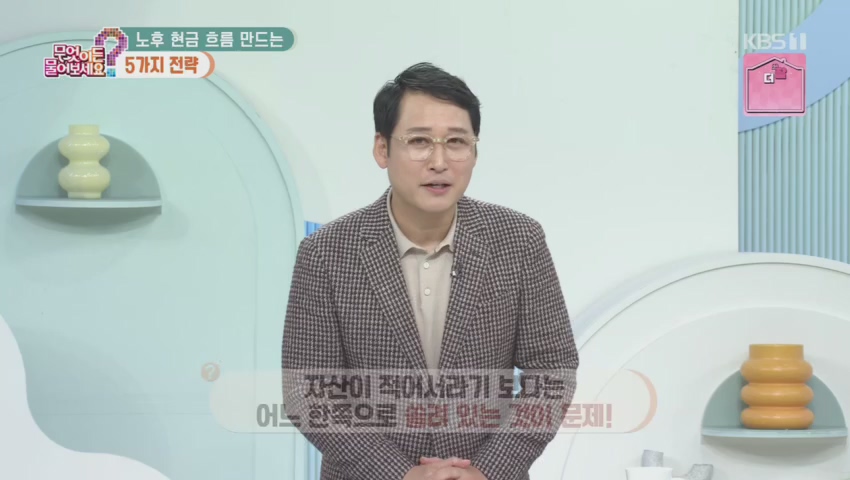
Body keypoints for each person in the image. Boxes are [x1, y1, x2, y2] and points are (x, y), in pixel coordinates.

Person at [282, 62, 579, 480]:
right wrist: (397, 473)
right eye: (419, 141)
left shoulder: (519, 240)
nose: (439, 161)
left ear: (475, 151)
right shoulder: (327, 252)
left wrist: (489, 470)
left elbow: (552, 369)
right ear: (382, 149)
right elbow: (308, 391)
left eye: (457, 142)